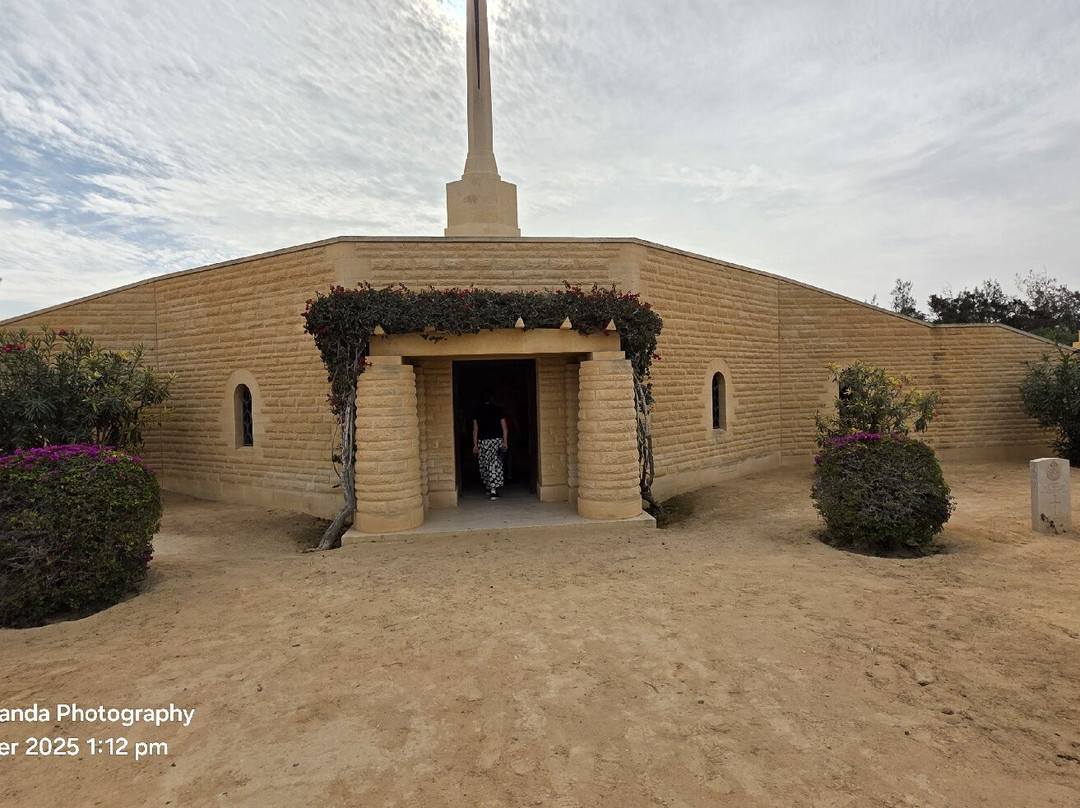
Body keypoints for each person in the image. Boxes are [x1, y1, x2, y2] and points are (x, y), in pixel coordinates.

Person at [472, 392, 508, 500]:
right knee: (495, 464)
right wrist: (505, 442)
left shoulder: (477, 411)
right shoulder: (498, 410)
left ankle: (488, 486)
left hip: (483, 442)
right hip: (496, 441)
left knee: (484, 463)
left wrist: (475, 445)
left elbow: (475, 430)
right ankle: (493, 490)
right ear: (492, 399)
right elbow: (505, 428)